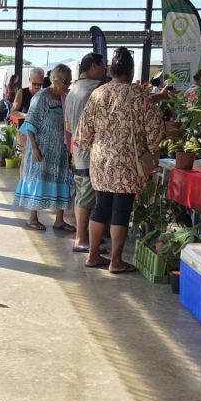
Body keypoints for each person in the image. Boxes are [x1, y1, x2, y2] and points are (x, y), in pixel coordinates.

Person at [77, 47, 164, 274]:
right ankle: (115, 261)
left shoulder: (98, 93)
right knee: (121, 210)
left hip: (100, 160)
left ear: (110, 71)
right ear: (132, 71)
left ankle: (93, 255)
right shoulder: (139, 95)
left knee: (100, 206)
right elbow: (154, 130)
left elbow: (83, 133)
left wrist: (96, 145)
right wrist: (153, 151)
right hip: (128, 161)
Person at [15, 64, 73, 231]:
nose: (67, 85)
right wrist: (34, 147)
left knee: (61, 179)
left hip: (59, 150)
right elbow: (30, 122)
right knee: (38, 179)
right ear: (55, 80)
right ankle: (32, 218)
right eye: (65, 81)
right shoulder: (42, 96)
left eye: (69, 81)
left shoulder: (64, 97)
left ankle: (59, 220)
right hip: (41, 148)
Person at [64, 52, 106, 253]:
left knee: (82, 195)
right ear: (94, 66)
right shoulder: (95, 88)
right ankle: (81, 239)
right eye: (103, 66)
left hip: (78, 151)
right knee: (86, 198)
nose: (105, 70)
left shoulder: (73, 90)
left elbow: (67, 126)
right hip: (92, 152)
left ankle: (85, 236)